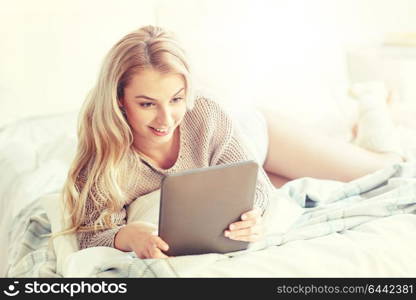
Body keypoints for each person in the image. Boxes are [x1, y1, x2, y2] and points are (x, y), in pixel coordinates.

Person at [62, 25, 404, 259]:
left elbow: (258, 189)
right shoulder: (104, 152)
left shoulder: (207, 112)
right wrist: (127, 237)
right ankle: (346, 137)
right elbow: (91, 233)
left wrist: (255, 214)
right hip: (222, 160)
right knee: (306, 182)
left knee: (384, 166)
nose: (166, 119)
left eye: (177, 99)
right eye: (147, 104)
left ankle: (371, 101)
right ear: (119, 99)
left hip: (258, 137)